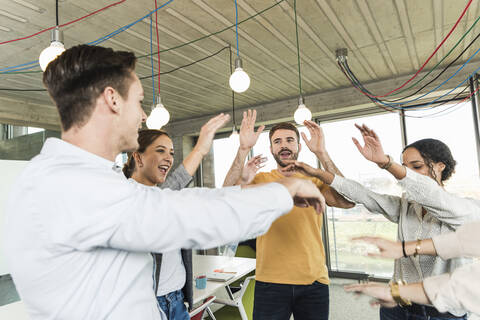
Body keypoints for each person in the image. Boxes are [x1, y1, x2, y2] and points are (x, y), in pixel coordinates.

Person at [2, 44, 326, 320]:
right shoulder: (72, 185)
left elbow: (179, 201)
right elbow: (187, 215)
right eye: (139, 101)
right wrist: (287, 188)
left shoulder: (85, 178)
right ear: (112, 99)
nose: (143, 116)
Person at [291, 124, 480, 320]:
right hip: (396, 308)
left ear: (441, 166)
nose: (409, 175)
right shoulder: (406, 206)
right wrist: (321, 173)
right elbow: (364, 195)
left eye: (417, 167)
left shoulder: (465, 210)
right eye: (406, 168)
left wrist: (386, 163)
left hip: (442, 314)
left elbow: (432, 195)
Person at [122, 115, 264, 319]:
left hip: (177, 301)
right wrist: (199, 149)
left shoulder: (169, 198)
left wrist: (242, 153)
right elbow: (161, 198)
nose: (169, 158)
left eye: (171, 152)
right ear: (138, 157)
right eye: (160, 150)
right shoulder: (127, 195)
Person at [224, 118, 354, 320]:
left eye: (289, 140)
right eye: (277, 141)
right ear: (271, 149)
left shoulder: (316, 178)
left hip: (314, 281)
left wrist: (322, 153)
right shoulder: (261, 179)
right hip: (270, 282)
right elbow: (225, 199)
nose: (283, 145)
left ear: (299, 146)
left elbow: (347, 201)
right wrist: (242, 151)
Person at [344, 221, 480, 319]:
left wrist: (396, 292)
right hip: (403, 305)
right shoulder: (406, 203)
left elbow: (468, 286)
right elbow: (466, 240)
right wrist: (403, 249)